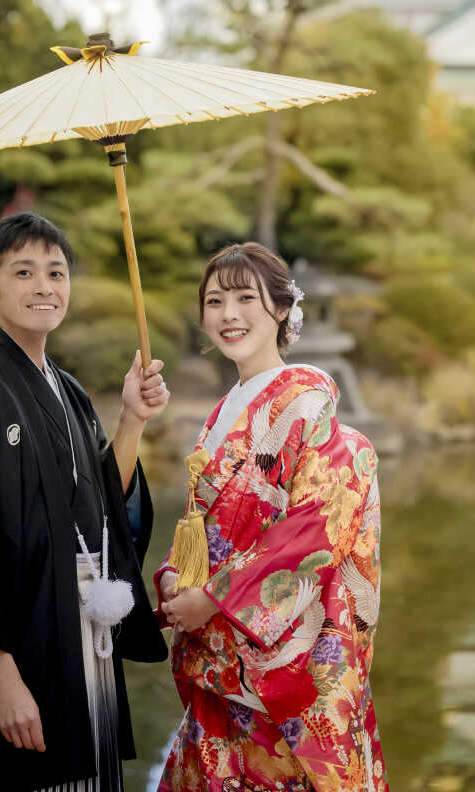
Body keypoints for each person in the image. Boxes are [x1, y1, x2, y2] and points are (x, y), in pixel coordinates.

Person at [0, 211, 170, 792]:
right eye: (23, 272)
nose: (44, 286)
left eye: (56, 271)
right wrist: (2, 675)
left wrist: (133, 418)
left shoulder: (66, 389)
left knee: (82, 772)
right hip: (18, 640)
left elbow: (102, 512)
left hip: (79, 630)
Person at [155, 242, 390, 792]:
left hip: (272, 655)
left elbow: (315, 527)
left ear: (282, 309)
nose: (228, 315)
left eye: (244, 298)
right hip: (220, 651)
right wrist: (174, 575)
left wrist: (213, 598)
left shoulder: (308, 404)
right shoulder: (226, 410)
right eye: (215, 301)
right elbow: (200, 524)